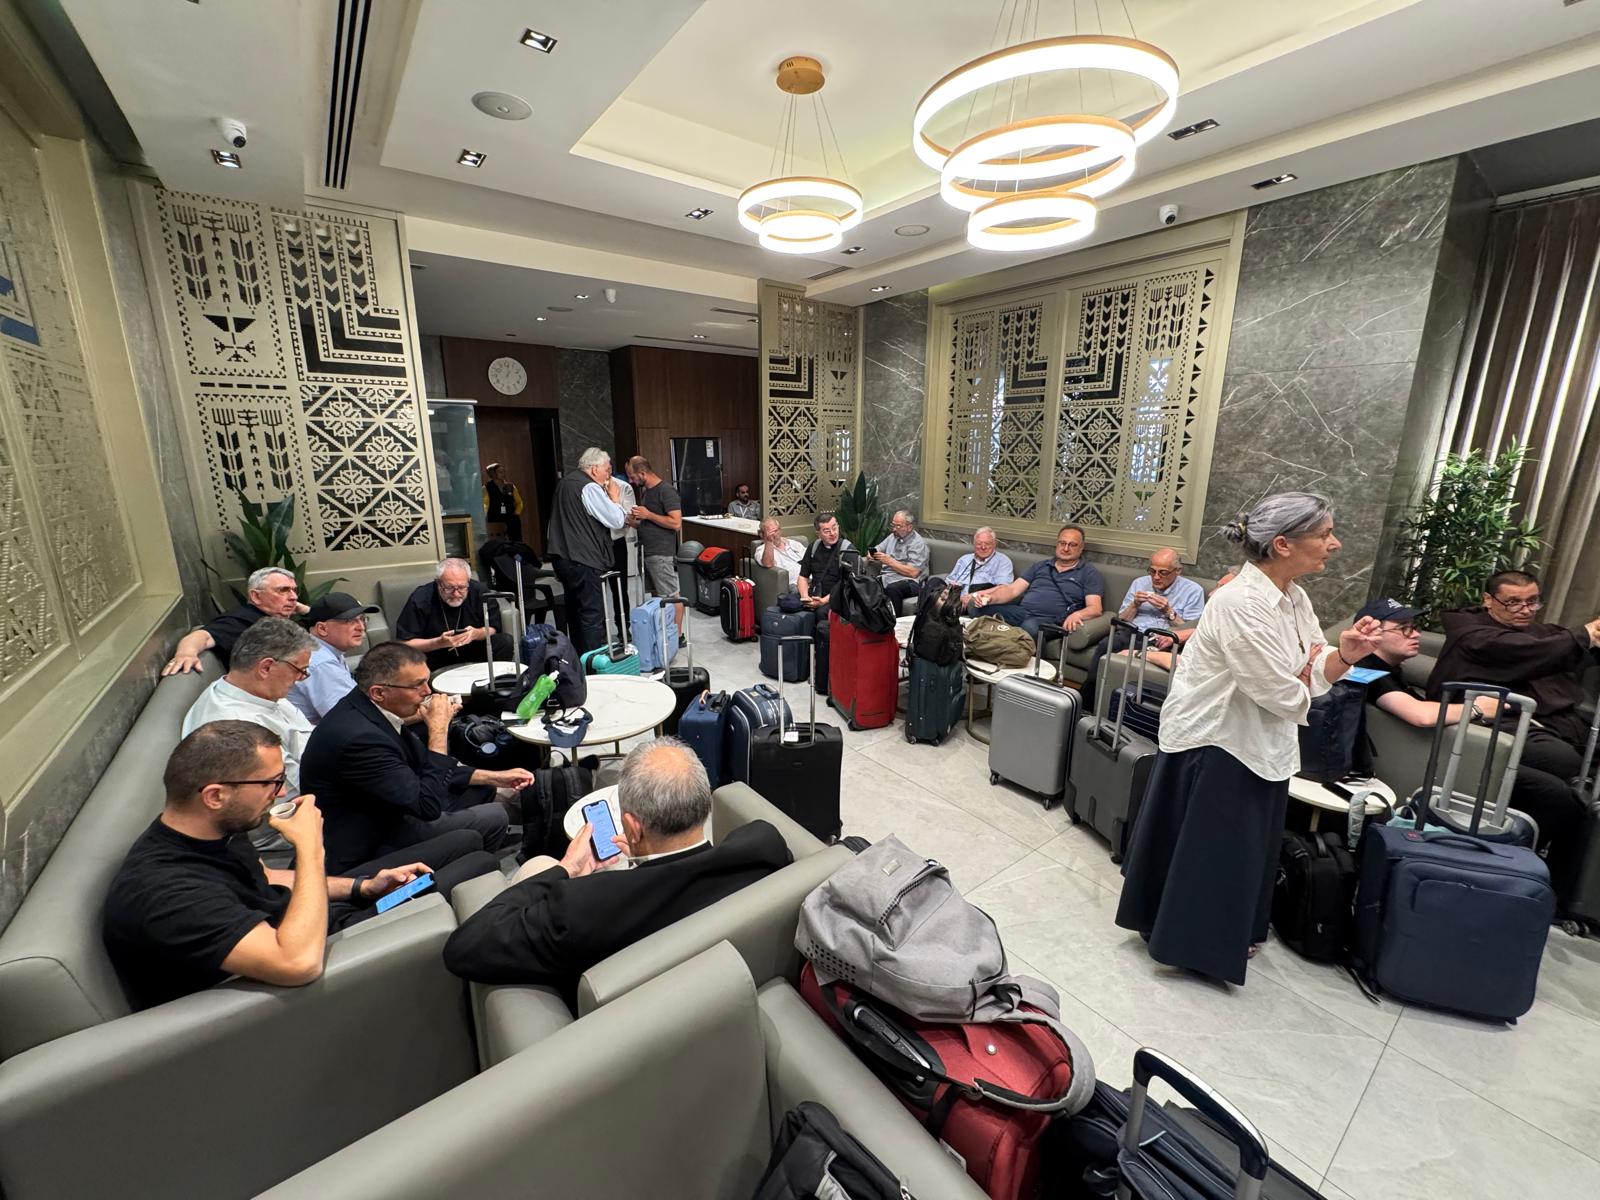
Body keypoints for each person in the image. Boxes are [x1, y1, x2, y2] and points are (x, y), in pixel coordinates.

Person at [1115, 493, 1383, 985]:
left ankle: (1228, 930)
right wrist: (1307, 674)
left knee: (1242, 847)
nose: (1335, 544)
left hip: (1261, 740)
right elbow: (1276, 690)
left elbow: (1312, 666)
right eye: (1324, 534)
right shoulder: (1238, 602)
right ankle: (1191, 944)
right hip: (1217, 739)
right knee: (1211, 850)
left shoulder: (1294, 597)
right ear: (1282, 544)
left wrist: (1343, 655)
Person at [102, 721, 498, 1011]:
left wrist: (362, 887)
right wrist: (310, 845)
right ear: (215, 795)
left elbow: (266, 876)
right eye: (270, 783)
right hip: (303, 967)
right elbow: (297, 964)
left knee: (465, 842)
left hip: (304, 920)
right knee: (478, 866)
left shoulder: (216, 828)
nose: (279, 794)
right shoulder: (166, 894)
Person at [442, 737, 791, 1005]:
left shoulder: (581, 906)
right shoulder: (762, 848)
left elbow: (464, 947)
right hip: (724, 994)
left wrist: (565, 869)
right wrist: (640, 862)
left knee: (538, 865)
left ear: (632, 828)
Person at [1425, 570, 1600, 907]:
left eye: (1532, 602)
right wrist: (1582, 635)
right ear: (1488, 600)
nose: (1525, 610)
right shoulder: (1472, 634)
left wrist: (1591, 640)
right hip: (1493, 729)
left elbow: (1563, 648)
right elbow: (1519, 650)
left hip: (1550, 725)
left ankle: (1570, 892)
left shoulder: (1538, 632)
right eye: (1514, 603)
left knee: (1573, 788)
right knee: (1564, 774)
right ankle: (1541, 882)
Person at [299, 642, 531, 874]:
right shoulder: (359, 739)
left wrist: (496, 777)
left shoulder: (368, 709)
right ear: (379, 692)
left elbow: (422, 764)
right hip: (367, 842)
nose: (427, 691)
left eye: (426, 681)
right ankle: (469, 870)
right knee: (492, 818)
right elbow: (426, 806)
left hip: (390, 808)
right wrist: (438, 729)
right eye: (417, 685)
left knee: (484, 789)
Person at [182, 617, 316, 852]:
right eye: (299, 671)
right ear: (266, 667)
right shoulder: (236, 729)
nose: (300, 680)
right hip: (288, 828)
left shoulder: (257, 693)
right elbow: (288, 799)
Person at [1082, 548, 1206, 712]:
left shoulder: (1193, 591)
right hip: (1132, 631)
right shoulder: (1140, 583)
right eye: (1152, 571)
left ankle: (1121, 709)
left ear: (1177, 571)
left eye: (1163, 572)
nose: (1156, 577)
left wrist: (1168, 611)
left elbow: (1188, 630)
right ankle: (1086, 704)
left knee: (1132, 656)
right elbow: (1121, 622)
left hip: (1161, 638)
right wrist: (1135, 605)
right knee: (1106, 645)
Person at [546, 447, 628, 654]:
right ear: (594, 469)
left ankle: (578, 659)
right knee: (592, 615)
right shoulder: (589, 487)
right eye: (607, 470)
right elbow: (616, 520)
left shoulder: (565, 483)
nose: (609, 475)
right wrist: (615, 499)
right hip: (584, 559)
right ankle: (592, 664)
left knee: (575, 613)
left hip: (563, 557)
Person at [972, 524, 1105, 647]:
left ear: (1081, 548)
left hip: (1053, 620)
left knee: (1030, 626)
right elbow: (1012, 590)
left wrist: (1078, 615)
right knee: (976, 609)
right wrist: (990, 598)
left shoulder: (1088, 572)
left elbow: (1095, 608)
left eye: (1072, 545)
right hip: (1023, 613)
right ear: (1057, 544)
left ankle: (1017, 654)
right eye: (1062, 543)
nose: (1065, 548)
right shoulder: (1041, 566)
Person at [163, 566, 299, 674]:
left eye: (294, 591)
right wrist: (186, 653)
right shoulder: (241, 621)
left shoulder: (273, 616)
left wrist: (301, 608)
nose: (294, 597)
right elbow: (203, 635)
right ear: (256, 596)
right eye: (283, 590)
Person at [394, 558, 513, 673]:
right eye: (449, 588)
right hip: (437, 655)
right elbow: (406, 643)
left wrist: (477, 633)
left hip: (474, 649)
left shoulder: (480, 591)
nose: (456, 594)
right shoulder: (421, 597)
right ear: (438, 582)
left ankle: (496, 682)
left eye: (462, 587)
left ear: (468, 581)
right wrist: (438, 643)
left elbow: (493, 628)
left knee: (504, 641)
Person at [287, 591, 378, 723]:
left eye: (362, 619)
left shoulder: (325, 651)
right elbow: (352, 718)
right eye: (350, 621)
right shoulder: (321, 662)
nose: (361, 627)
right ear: (322, 629)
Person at [797, 513, 854, 695]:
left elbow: (847, 584)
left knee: (821, 614)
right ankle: (801, 664)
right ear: (818, 533)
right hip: (815, 596)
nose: (832, 533)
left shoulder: (847, 549)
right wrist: (805, 597)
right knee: (795, 612)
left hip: (838, 598)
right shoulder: (813, 547)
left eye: (834, 528)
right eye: (827, 530)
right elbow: (803, 576)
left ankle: (822, 667)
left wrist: (823, 601)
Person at [626, 455, 684, 632]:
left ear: (642, 473)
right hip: (647, 552)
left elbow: (676, 523)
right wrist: (634, 522)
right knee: (657, 597)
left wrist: (648, 515)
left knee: (671, 596)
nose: (631, 481)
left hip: (661, 553)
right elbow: (650, 524)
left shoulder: (666, 491)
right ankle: (663, 635)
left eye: (633, 477)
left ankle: (677, 636)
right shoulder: (647, 492)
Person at [871, 510, 930, 617]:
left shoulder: (918, 543)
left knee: (892, 589)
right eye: (893, 525)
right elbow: (877, 548)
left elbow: (913, 572)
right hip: (888, 577)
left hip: (912, 582)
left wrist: (890, 562)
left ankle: (894, 622)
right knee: (867, 584)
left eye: (898, 526)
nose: (894, 529)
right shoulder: (892, 537)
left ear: (909, 527)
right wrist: (872, 554)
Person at [947, 527, 1014, 609]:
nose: (983, 547)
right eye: (979, 543)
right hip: (954, 599)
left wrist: (975, 595)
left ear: (994, 544)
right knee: (935, 582)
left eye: (987, 543)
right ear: (974, 543)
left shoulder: (1003, 561)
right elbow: (949, 580)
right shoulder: (964, 559)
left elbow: (1004, 588)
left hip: (977, 603)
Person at [612, 469, 642, 610]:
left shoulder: (623, 486)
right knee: (595, 587)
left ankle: (623, 620)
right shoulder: (588, 488)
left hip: (616, 539)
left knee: (620, 586)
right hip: (594, 543)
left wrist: (615, 502)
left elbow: (629, 518)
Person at [752, 517, 807, 585]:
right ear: (762, 535)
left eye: (776, 531)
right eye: (770, 532)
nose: (775, 535)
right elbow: (768, 564)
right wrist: (769, 541)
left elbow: (811, 557)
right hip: (796, 583)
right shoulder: (761, 550)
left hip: (812, 578)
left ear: (780, 530)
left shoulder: (793, 543)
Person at [482, 463, 525, 542]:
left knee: (516, 541)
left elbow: (519, 502)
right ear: (492, 474)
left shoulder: (510, 486)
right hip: (495, 520)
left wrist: (516, 514)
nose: (503, 473)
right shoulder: (487, 487)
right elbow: (485, 504)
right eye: (499, 471)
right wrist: (484, 517)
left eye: (503, 471)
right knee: (498, 542)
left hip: (512, 519)